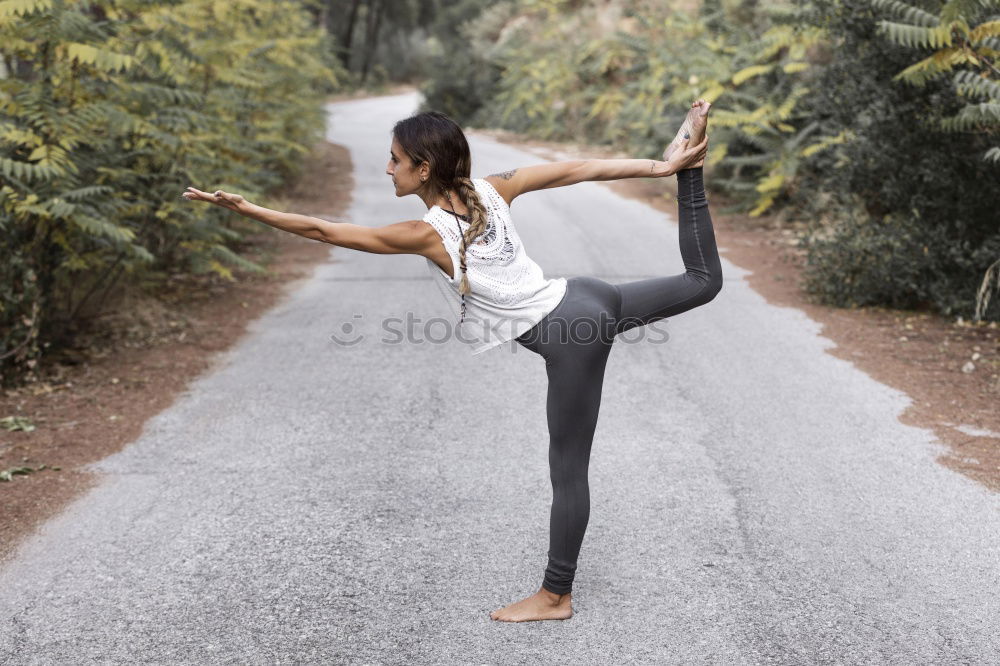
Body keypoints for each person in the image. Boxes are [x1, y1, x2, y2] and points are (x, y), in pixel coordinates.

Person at [182, 100, 721, 623]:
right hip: (587, 296)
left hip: (572, 333)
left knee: (569, 470)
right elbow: (575, 170)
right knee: (702, 281)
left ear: (423, 169)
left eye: (395, 159)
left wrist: (249, 209)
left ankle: (556, 595)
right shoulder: (492, 188)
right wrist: (663, 166)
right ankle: (690, 170)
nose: (388, 168)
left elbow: (326, 231)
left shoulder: (425, 234)